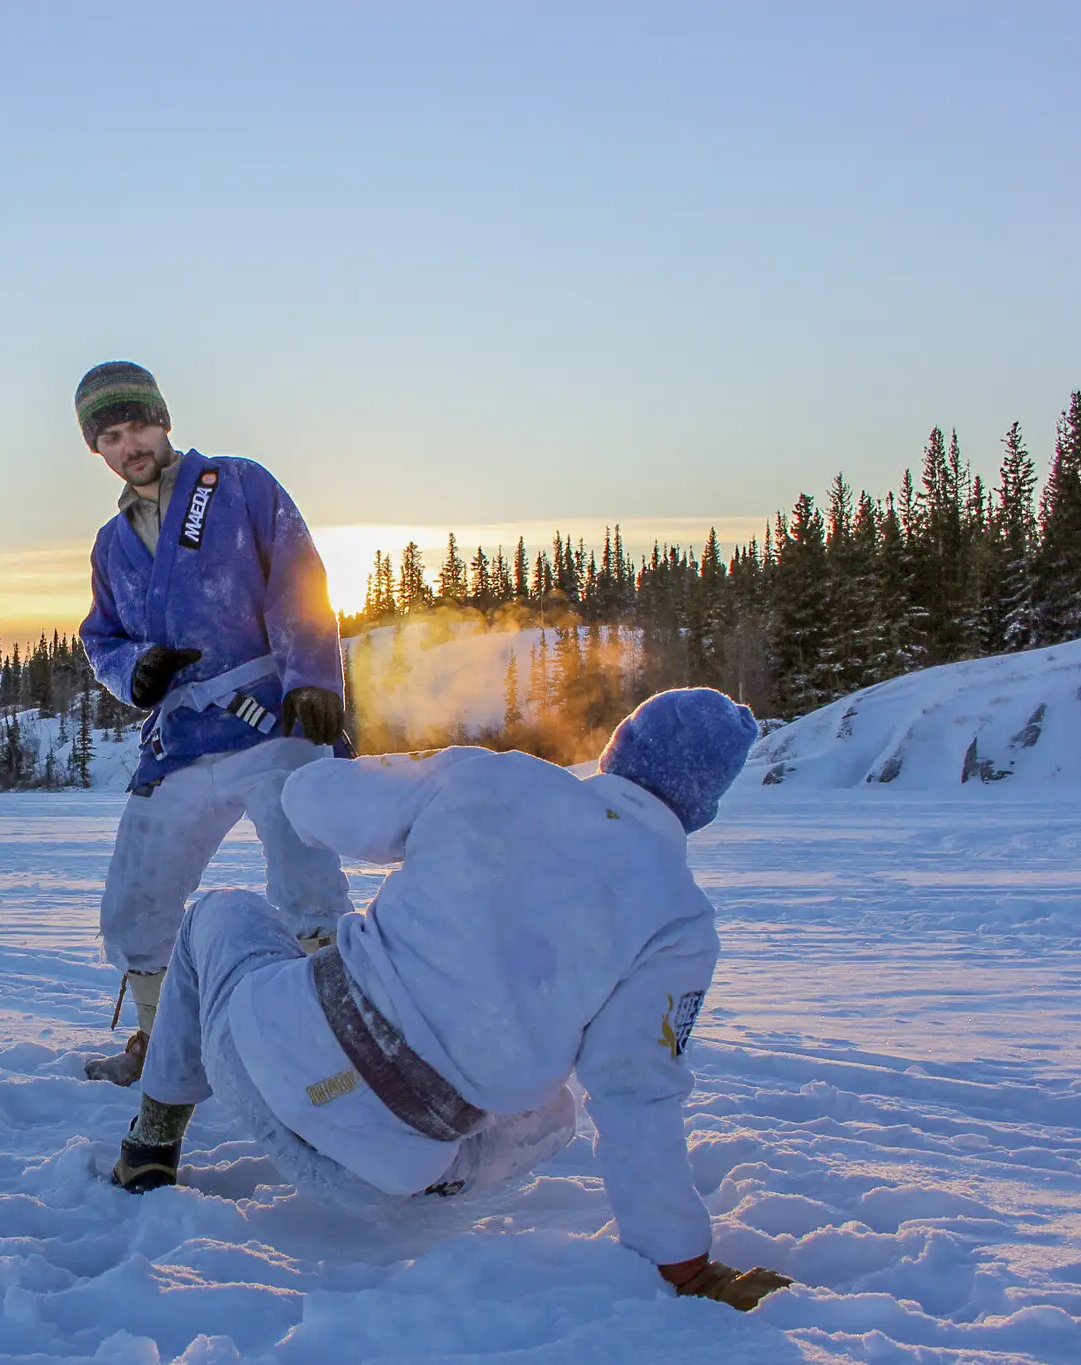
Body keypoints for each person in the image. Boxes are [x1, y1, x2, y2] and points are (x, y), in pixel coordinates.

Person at [105, 687, 796, 1312]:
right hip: (372, 1185)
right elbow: (637, 1097)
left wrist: (324, 751)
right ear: (702, 805)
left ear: (621, 746)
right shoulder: (680, 921)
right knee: (554, 1112)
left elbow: (308, 803)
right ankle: (430, 1182)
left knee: (219, 913)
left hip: (258, 1065)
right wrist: (686, 1268)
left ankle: (151, 1144)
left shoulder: (498, 776)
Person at [75, 360, 354, 1085]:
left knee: (306, 876)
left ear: (163, 421)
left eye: (137, 424)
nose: (129, 443)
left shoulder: (236, 486)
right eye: (111, 434)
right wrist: (132, 670)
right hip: (181, 740)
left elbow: (300, 577)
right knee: (135, 897)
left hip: (270, 718)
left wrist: (315, 678)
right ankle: (157, 1035)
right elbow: (100, 638)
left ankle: (331, 1031)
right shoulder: (112, 544)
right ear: (96, 449)